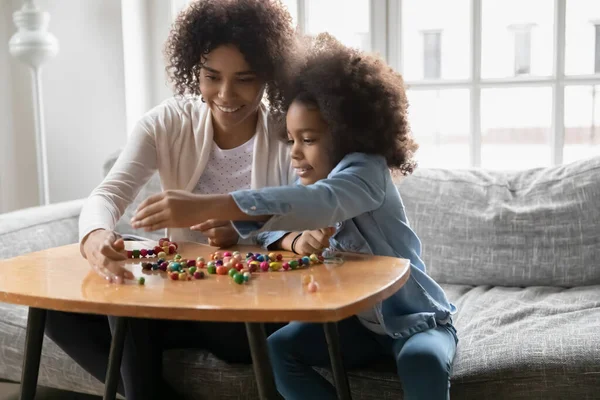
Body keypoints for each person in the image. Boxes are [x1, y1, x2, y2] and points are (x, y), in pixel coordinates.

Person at [131, 33, 459, 400]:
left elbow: (323, 202)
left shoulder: (368, 172)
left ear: (347, 133)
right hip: (355, 327)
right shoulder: (311, 178)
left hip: (415, 320)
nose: (296, 154)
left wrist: (209, 203)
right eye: (292, 140)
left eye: (309, 139)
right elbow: (267, 233)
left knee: (421, 359)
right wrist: (296, 240)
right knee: (277, 350)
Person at [44, 1, 303, 399]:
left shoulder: (288, 133)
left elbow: (307, 217)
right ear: (193, 70)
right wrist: (95, 235)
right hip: (181, 296)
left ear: (269, 76)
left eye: (245, 79)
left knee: (130, 313)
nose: (225, 94)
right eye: (211, 76)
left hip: (254, 306)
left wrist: (239, 230)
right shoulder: (167, 122)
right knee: (55, 308)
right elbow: (109, 194)